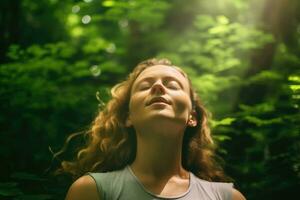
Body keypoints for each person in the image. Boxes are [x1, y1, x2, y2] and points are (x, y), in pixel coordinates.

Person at [63, 58, 246, 200]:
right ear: (128, 117)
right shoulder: (90, 191)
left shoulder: (228, 198)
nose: (158, 86)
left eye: (172, 85)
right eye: (145, 86)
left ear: (192, 117)